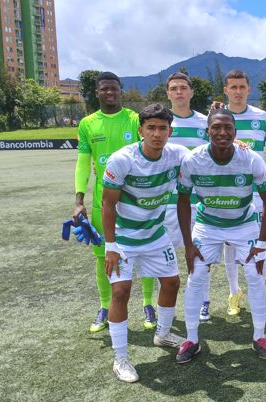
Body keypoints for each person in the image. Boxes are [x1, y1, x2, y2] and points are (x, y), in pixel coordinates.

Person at [177, 108, 266, 361]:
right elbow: (183, 201)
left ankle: (259, 336)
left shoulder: (251, 158)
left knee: (255, 276)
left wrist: (262, 243)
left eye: (228, 127)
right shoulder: (193, 160)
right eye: (216, 127)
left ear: (235, 131)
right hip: (207, 225)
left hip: (244, 223)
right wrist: (188, 244)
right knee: (196, 276)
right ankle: (191, 339)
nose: (222, 132)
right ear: (207, 131)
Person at [101, 104, 188, 382]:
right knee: (120, 292)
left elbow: (204, 156)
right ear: (141, 130)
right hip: (124, 238)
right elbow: (107, 204)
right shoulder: (122, 159)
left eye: (163, 128)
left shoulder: (177, 155)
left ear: (170, 131)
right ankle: (121, 359)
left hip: (155, 235)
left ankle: (163, 334)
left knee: (172, 283)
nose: (157, 134)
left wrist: (238, 144)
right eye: (151, 128)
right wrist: (110, 246)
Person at [73, 71, 156, 333]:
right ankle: (105, 307)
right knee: (103, 256)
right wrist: (79, 200)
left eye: (114, 88)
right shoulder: (87, 123)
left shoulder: (134, 120)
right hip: (103, 202)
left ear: (121, 91)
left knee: (144, 253)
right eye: (104, 89)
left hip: (136, 201)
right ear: (96, 92)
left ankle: (147, 303)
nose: (109, 92)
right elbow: (83, 163)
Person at [220, 70, 266, 317]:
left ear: (248, 89)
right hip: (227, 192)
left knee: (256, 244)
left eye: (242, 87)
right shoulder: (217, 115)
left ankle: (257, 292)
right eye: (233, 87)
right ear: (225, 90)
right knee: (229, 245)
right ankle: (234, 292)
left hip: (256, 195)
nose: (238, 91)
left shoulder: (261, 117)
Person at [161, 72, 212, 322]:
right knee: (165, 255)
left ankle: (203, 300)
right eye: (174, 88)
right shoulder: (162, 123)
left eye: (183, 87)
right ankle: (165, 306)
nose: (179, 92)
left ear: (191, 92)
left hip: (198, 200)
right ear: (168, 94)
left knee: (200, 253)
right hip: (169, 201)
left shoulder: (204, 122)